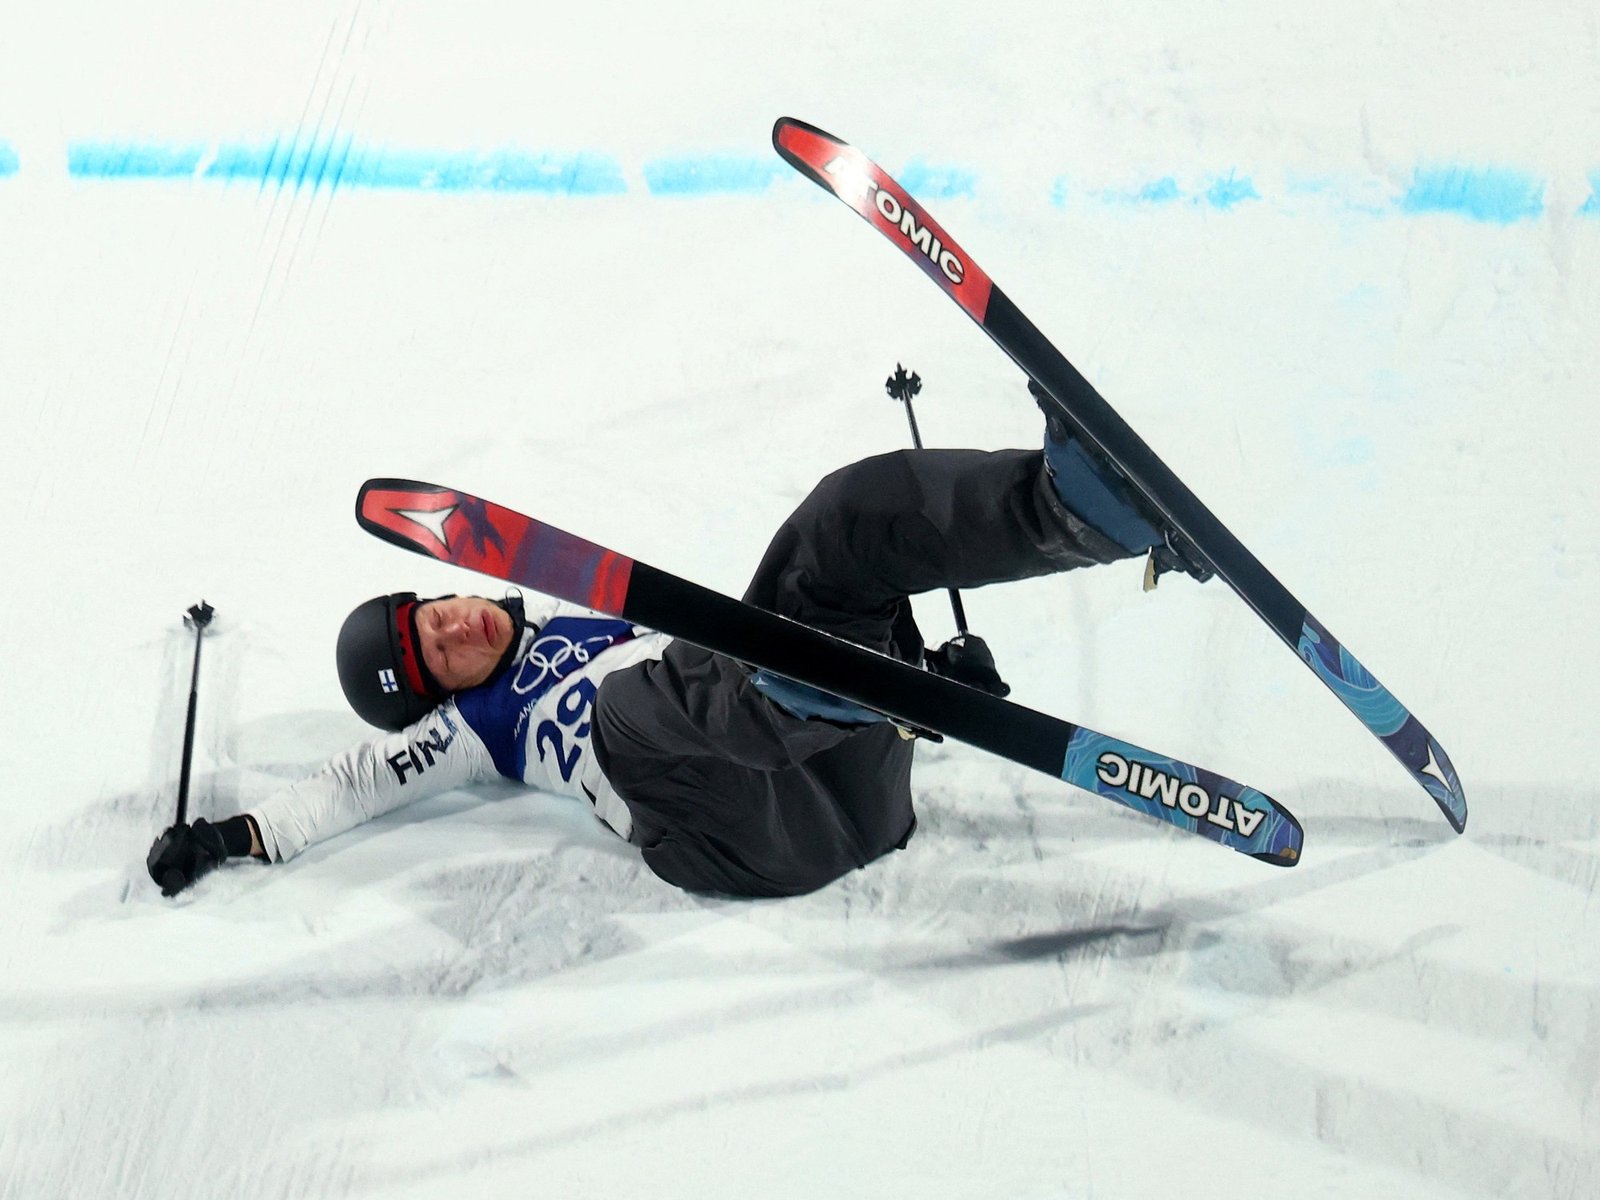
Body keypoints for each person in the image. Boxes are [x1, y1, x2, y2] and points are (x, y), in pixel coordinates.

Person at [147, 385, 1209, 898]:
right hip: (743, 831)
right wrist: (232, 838)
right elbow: (345, 786)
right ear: (437, 697)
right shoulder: (477, 728)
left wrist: (920, 671)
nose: (462, 627)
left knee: (836, 526)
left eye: (439, 612)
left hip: (847, 782)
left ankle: (1072, 512)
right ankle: (824, 694)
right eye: (440, 653)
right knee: (626, 706)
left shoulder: (579, 615)